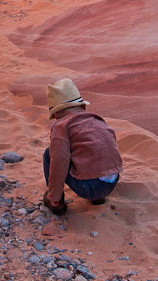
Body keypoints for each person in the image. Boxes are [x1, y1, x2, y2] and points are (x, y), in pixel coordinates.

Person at [43, 78, 123, 215]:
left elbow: (59, 162)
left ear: (56, 113)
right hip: (112, 182)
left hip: (90, 187)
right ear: (82, 106)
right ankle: (98, 199)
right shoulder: (96, 120)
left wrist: (54, 195)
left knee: (49, 154)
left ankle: (56, 202)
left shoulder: (62, 126)